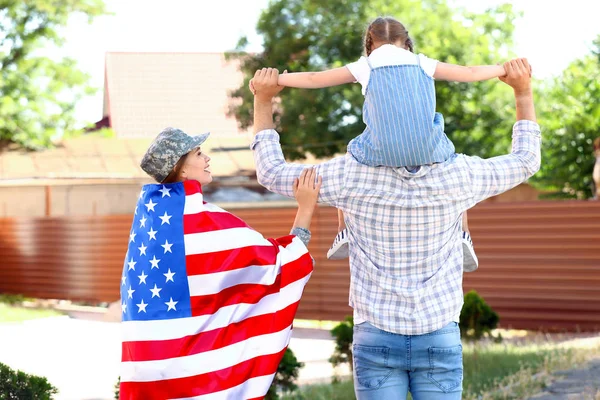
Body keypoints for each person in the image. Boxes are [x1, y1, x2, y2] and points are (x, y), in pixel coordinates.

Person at [250, 58, 540, 399]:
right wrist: (522, 92)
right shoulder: (460, 175)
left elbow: (270, 171)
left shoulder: (348, 176)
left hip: (376, 332)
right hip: (438, 331)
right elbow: (526, 160)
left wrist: (264, 100)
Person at [262, 16, 500, 266]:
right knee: (451, 161)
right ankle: (463, 232)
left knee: (352, 153)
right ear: (406, 42)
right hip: (429, 152)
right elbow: (471, 73)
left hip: (380, 155)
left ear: (370, 43)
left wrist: (279, 79)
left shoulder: (367, 65)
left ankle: (344, 228)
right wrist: (501, 69)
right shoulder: (423, 63)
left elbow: (314, 79)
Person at [118, 127, 321, 400]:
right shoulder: (205, 222)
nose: (207, 158)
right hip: (196, 384)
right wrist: (305, 207)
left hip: (153, 375)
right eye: (199, 153)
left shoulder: (146, 225)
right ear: (182, 169)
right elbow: (277, 265)